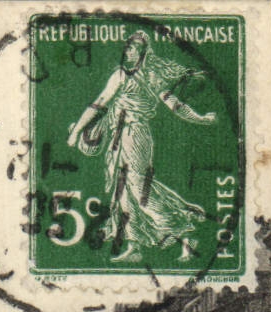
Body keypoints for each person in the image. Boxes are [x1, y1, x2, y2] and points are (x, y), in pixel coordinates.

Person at [66, 31, 217, 264]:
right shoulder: (119, 75)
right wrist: (77, 131)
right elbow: (99, 104)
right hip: (118, 137)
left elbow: (175, 106)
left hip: (135, 135)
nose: (126, 51)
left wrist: (201, 119)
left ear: (142, 53)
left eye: (132, 48)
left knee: (138, 187)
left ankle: (181, 228)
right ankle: (134, 244)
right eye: (126, 47)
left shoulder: (151, 77)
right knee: (122, 193)